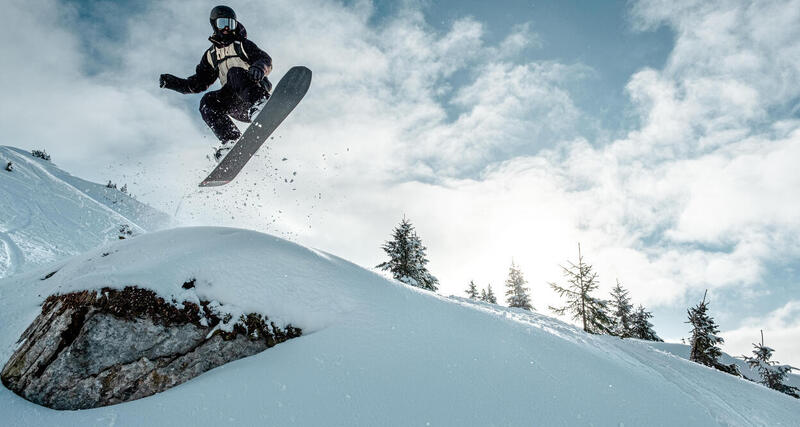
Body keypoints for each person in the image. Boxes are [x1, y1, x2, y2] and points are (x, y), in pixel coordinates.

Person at [159, 5, 272, 160]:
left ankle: (262, 104)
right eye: (222, 23)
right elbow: (198, 83)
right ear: (214, 25)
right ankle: (231, 140)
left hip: (254, 92)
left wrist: (259, 67)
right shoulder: (211, 56)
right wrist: (173, 83)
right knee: (208, 102)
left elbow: (264, 59)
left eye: (230, 24)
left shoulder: (242, 45)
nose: (226, 28)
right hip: (238, 107)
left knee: (234, 72)